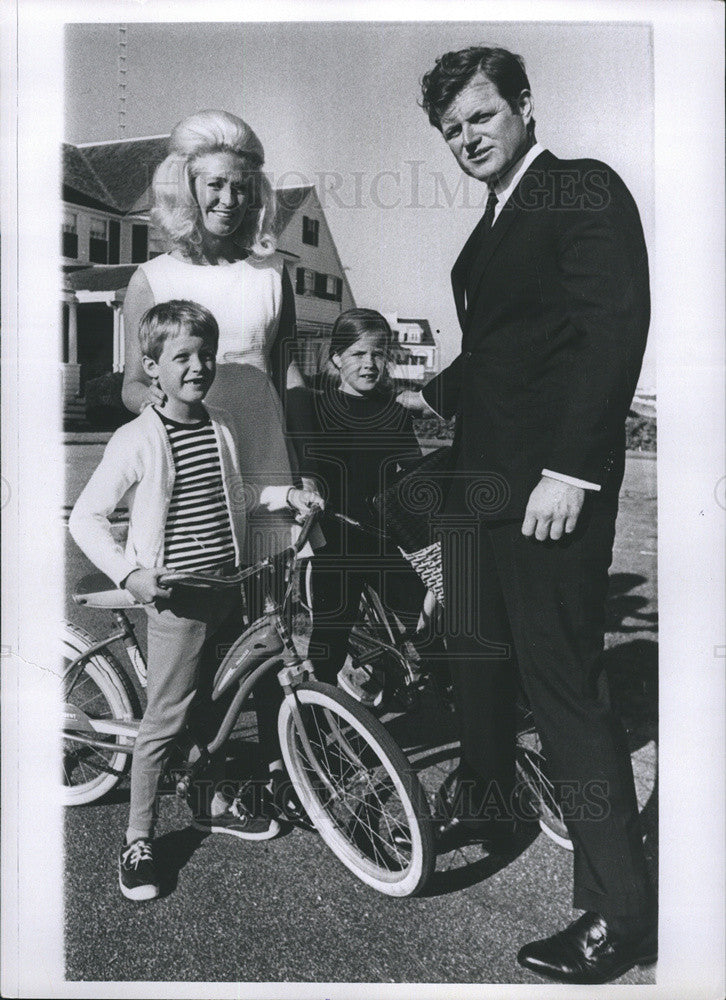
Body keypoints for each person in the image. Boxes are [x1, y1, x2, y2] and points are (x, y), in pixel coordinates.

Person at [398, 46, 655, 984]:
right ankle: (491, 793)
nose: (468, 138)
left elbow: (609, 330)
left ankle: (618, 916)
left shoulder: (579, 189)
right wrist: (441, 387)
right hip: (482, 490)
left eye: (481, 116)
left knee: (565, 694)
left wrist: (573, 472)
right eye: (453, 128)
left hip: (546, 497)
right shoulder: (491, 225)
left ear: (525, 107)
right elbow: (515, 341)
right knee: (474, 652)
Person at [69, 300, 322, 901]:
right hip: (176, 599)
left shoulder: (220, 426)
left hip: (225, 588)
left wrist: (288, 495)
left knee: (211, 709)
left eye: (205, 354)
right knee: (165, 721)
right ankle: (137, 840)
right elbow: (86, 517)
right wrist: (131, 574)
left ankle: (208, 800)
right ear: (151, 368)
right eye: (181, 356)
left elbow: (236, 491)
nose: (198, 366)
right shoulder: (137, 439)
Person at [121, 109, 315, 566]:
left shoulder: (271, 274)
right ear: (186, 188)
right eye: (216, 185)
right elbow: (131, 385)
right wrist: (179, 416)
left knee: (266, 620)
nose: (230, 199)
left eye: (241, 186)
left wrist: (306, 469)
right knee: (191, 615)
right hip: (189, 463)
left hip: (266, 452)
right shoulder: (150, 279)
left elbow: (288, 375)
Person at [305, 309, 424, 703]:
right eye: (357, 354)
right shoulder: (317, 412)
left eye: (377, 353)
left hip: (388, 539)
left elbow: (413, 479)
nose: (369, 363)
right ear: (336, 358)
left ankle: (442, 692)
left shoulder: (394, 413)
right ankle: (320, 721)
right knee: (329, 639)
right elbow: (308, 479)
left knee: (425, 621)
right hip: (336, 542)